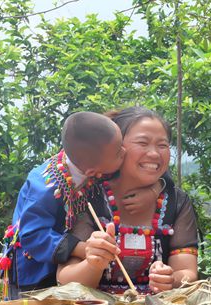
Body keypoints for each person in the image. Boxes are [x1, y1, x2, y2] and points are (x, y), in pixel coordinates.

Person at [0, 111, 159, 299]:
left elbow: (156, 174)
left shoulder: (93, 160)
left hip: (67, 269)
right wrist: (84, 250)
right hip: (34, 274)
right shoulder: (44, 187)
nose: (124, 151)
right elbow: (33, 235)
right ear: (93, 171)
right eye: (118, 152)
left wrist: (153, 190)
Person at [57, 107, 199, 294]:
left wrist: (171, 279)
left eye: (162, 145)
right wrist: (93, 264)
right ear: (116, 147)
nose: (155, 154)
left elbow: (188, 272)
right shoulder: (89, 197)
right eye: (143, 142)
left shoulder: (176, 202)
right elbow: (65, 278)